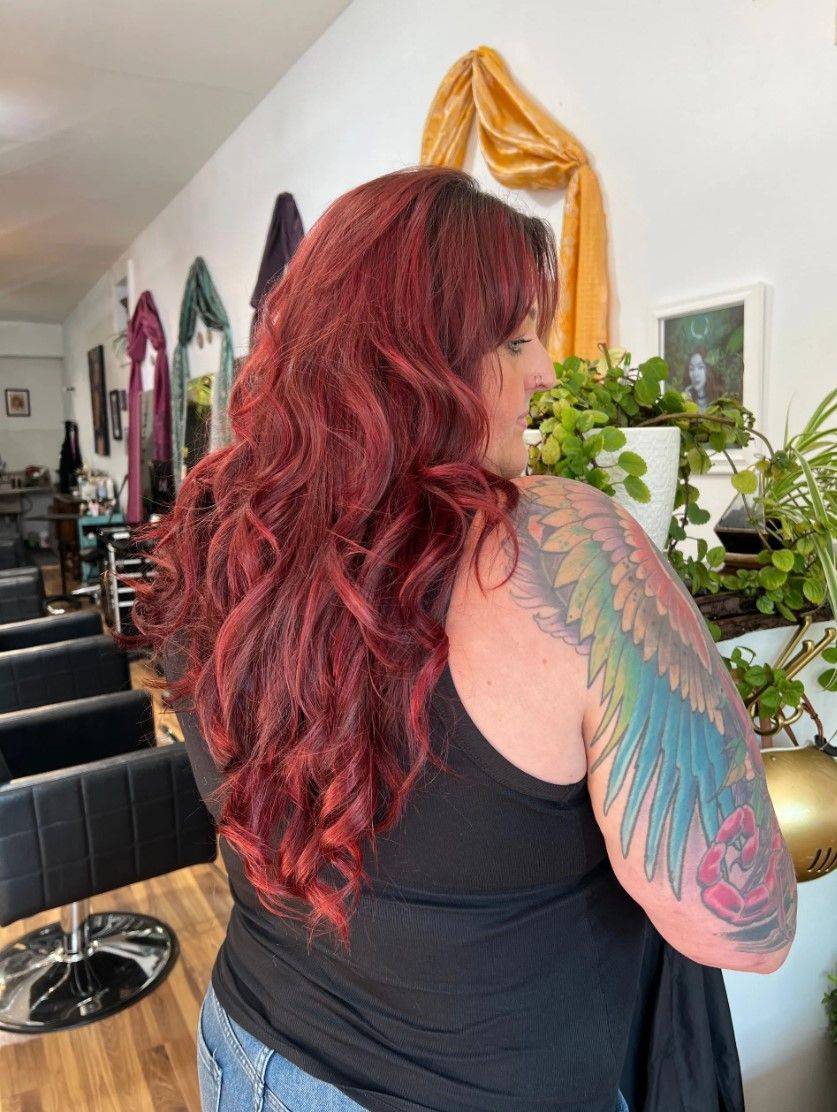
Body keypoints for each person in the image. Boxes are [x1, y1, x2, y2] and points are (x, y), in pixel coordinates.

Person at [132, 167, 797, 1112]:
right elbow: (746, 926)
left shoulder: (215, 523)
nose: (544, 372)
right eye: (515, 338)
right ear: (410, 354)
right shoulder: (568, 548)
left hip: (248, 1051)